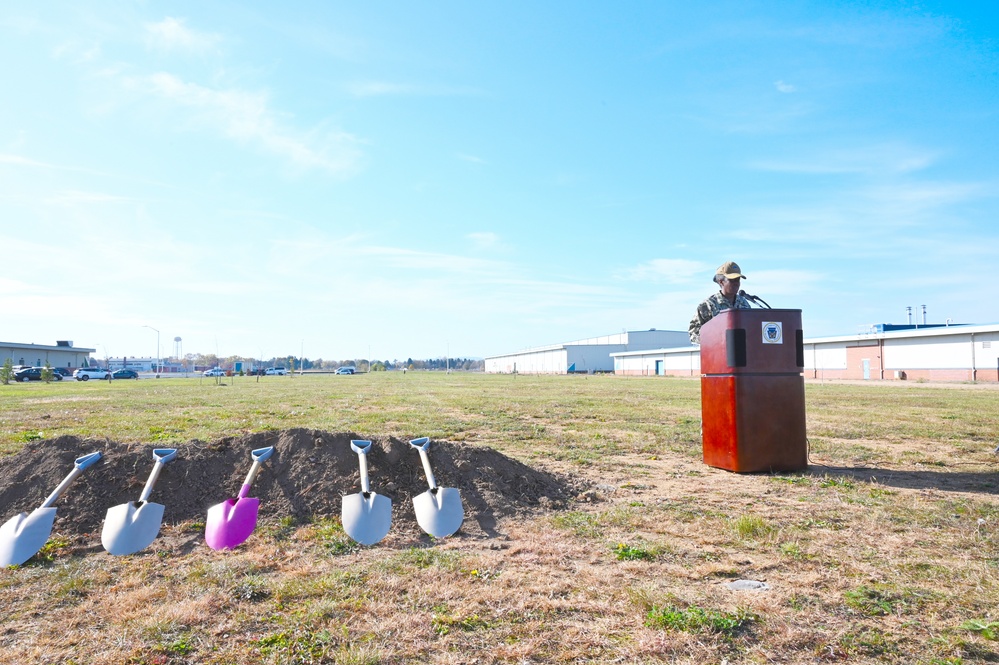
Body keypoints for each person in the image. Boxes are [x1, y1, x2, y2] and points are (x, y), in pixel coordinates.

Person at [688, 261, 753, 345]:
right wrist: (715, 339)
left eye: (738, 280)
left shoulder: (744, 303)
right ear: (721, 281)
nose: (736, 283)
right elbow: (693, 332)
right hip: (717, 354)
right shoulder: (708, 305)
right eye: (732, 280)